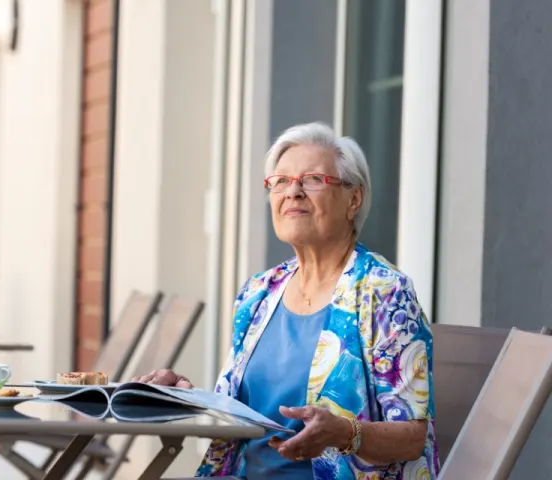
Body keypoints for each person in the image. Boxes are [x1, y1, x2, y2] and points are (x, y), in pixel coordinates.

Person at [133, 122, 438, 479]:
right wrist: (182, 397)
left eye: (313, 180)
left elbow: (413, 438)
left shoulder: (383, 292)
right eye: (280, 181)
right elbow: (241, 415)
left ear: (353, 199)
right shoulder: (260, 292)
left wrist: (344, 433)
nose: (293, 192)